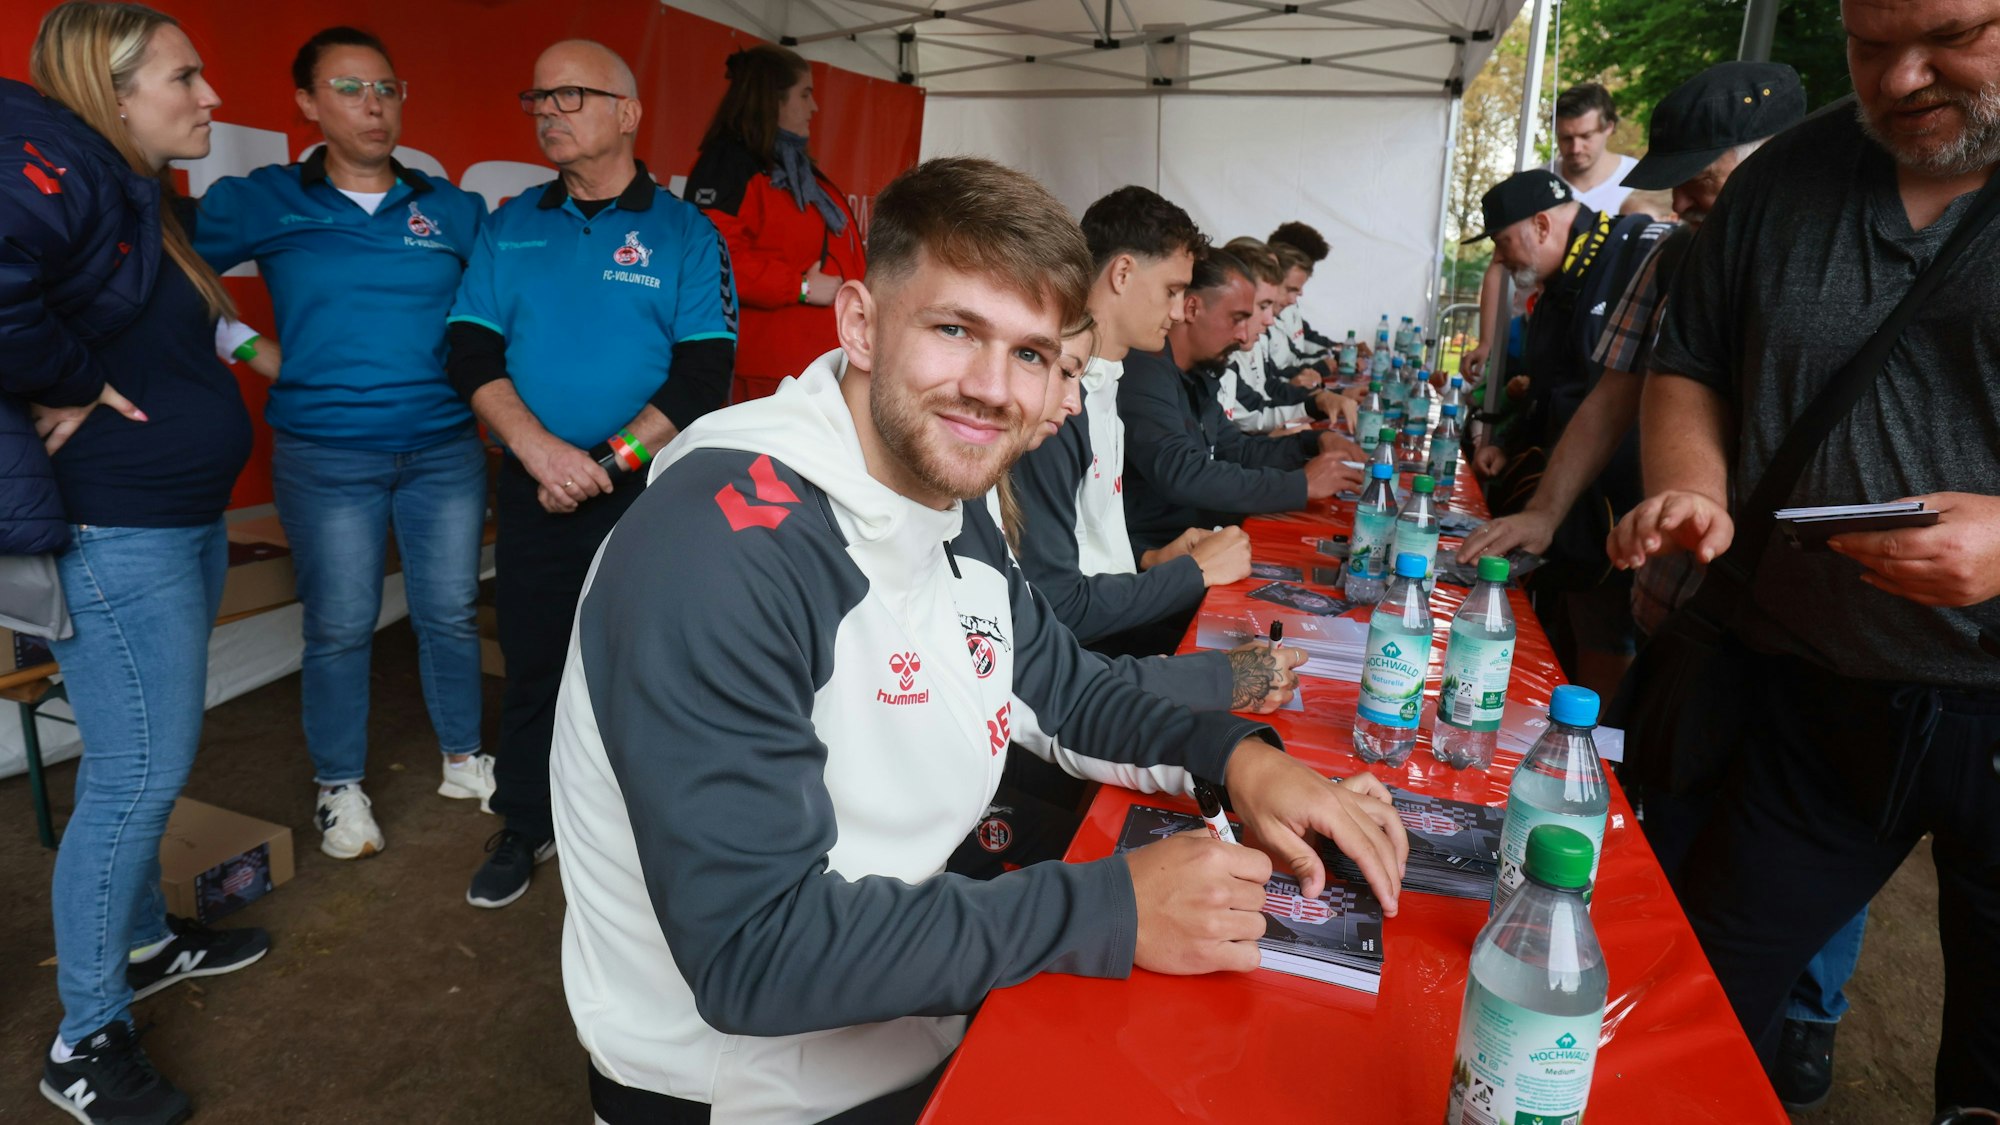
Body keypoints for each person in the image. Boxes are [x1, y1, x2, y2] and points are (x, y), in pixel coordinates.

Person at [546, 155, 1408, 1124]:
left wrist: (1241, 760)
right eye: (955, 330)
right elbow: (757, 952)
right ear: (860, 323)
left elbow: (1063, 691)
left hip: (920, 1017)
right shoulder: (720, 547)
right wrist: (1110, 907)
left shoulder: (941, 494)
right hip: (756, 1093)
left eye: (1032, 354)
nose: (994, 389)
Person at [1608, 0, 2000, 1111]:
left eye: (1951, 36)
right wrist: (1690, 485)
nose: (1899, 78)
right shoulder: (1787, 174)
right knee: (1689, 1004)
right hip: (1811, 697)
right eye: (1868, 43)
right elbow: (1689, 363)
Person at [5, 5, 271, 1122]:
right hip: (118, 529)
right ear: (111, 94)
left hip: (179, 520)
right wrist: (68, 380)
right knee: (133, 777)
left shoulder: (136, 203)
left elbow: (169, 333)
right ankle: (84, 1040)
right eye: (185, 78)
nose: (211, 97)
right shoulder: (64, 180)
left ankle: (148, 942)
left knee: (152, 759)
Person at [444, 38, 736, 909]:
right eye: (537, 98)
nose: (547, 112)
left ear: (628, 113)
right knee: (535, 658)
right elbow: (469, 350)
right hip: (536, 487)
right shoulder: (511, 224)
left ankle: (648, 830)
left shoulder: (685, 232)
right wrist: (542, 453)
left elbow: (702, 375)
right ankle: (525, 818)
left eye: (569, 95)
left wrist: (603, 465)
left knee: (651, 663)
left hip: (648, 492)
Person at [194, 26, 492, 861]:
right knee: (339, 625)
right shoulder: (266, 200)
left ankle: (465, 759)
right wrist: (246, 347)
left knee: (450, 612)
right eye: (351, 88)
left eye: (387, 88)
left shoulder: (453, 209)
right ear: (307, 103)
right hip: (327, 455)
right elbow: (162, 268)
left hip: (443, 449)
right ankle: (339, 787)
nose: (374, 106)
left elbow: (500, 310)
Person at [1009, 185, 1252, 647]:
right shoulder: (1057, 407)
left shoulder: (1106, 382)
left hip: (1107, 626)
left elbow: (1083, 542)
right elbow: (1056, 604)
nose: (1179, 312)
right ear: (1122, 273)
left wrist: (1149, 559)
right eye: (1172, 291)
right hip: (1083, 652)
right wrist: (1193, 573)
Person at [1459, 168, 1662, 697]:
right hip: (1567, 506)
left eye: (1503, 243)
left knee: (1606, 638)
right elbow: (1549, 390)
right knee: (1573, 627)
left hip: (1622, 506)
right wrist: (1507, 445)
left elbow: (1612, 398)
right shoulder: (1556, 287)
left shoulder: (1635, 252)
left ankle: (1596, 738)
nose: (1500, 259)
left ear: (1542, 225)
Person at [1119, 249, 1363, 561]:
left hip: (1203, 538)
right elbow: (1181, 472)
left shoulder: (1197, 374)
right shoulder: (1144, 369)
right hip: (1159, 554)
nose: (1244, 334)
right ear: (1192, 308)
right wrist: (1298, 485)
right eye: (1238, 319)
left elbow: (1237, 450)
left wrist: (1312, 443)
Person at [685, 44, 862, 403]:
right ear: (772, 100)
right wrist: (801, 287)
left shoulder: (789, 166)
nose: (814, 107)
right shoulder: (730, 166)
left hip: (811, 367)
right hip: (766, 374)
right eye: (805, 94)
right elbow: (715, 258)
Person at [1463, 83, 1638, 384]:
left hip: (1599, 333)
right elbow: (1498, 264)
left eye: (1586, 136)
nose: (1575, 148)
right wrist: (1487, 341)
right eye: (1566, 138)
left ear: (1609, 127)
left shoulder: (1635, 182)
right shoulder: (1537, 184)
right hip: (1535, 327)